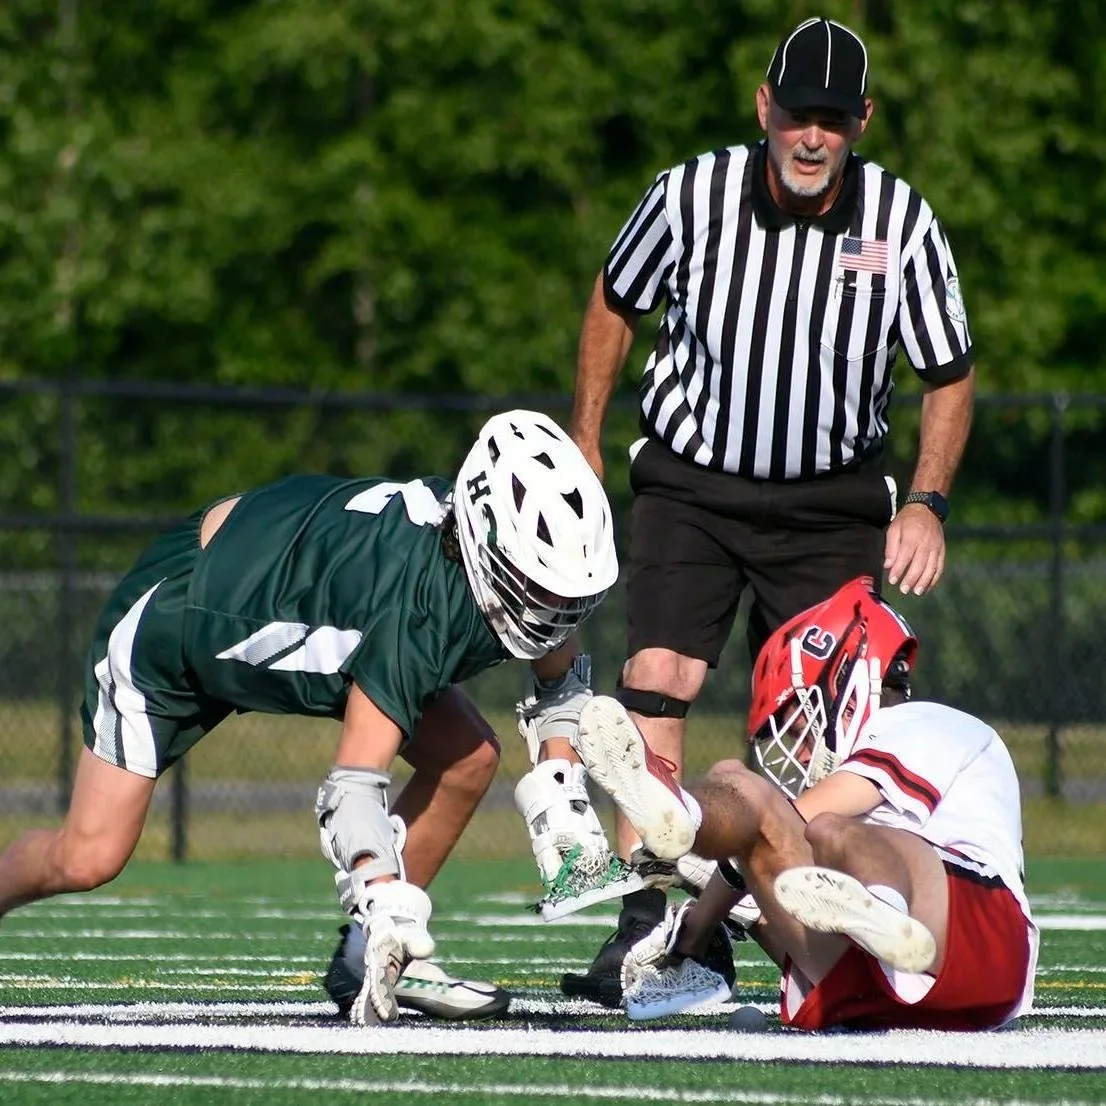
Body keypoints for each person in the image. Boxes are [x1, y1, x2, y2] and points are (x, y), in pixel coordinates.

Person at [562, 14, 976, 1004]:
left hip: (829, 503)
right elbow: (614, 298)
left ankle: (795, 911)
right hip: (690, 484)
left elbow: (948, 373)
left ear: (861, 123)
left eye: (832, 119)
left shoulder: (897, 221)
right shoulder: (689, 195)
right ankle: (652, 925)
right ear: (763, 106)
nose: (810, 135)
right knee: (653, 680)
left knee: (824, 731)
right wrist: (582, 431)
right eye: (796, 112)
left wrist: (924, 502)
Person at [0, 409, 625, 1026]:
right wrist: (383, 899)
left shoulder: (487, 551)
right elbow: (352, 791)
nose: (555, 611)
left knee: (467, 760)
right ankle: (383, 934)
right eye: (541, 589)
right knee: (88, 856)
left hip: (290, 604)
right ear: (485, 543)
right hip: (183, 622)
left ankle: (370, 961)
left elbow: (560, 680)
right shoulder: (413, 612)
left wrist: (560, 796)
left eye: (565, 593)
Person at [571, 577, 1038, 1031]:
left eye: (802, 723)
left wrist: (708, 896)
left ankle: (880, 909)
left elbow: (802, 817)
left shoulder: (924, 721)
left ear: (848, 687)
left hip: (974, 942)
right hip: (874, 992)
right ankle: (688, 818)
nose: (806, 750)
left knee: (828, 831)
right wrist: (690, 939)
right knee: (736, 782)